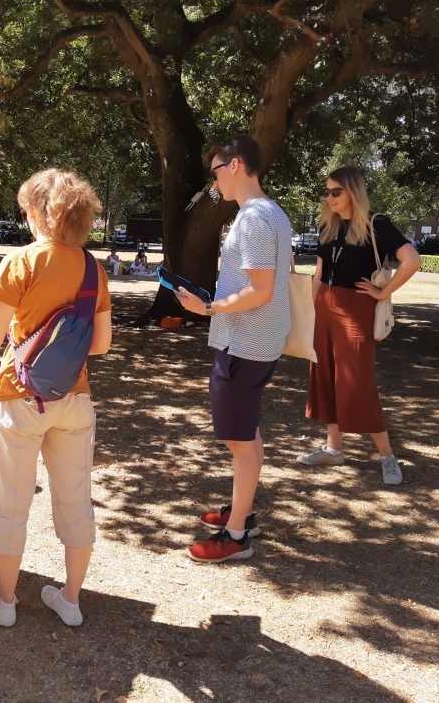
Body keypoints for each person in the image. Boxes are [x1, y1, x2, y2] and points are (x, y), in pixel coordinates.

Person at [0, 168, 112, 628]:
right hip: (73, 396)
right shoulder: (92, 266)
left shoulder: (20, 262)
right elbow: (100, 344)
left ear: (41, 212)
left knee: (10, 500)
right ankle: (70, 599)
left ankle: (6, 602)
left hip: (20, 397)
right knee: (75, 499)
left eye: (27, 208)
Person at [174, 136, 292, 564]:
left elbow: (260, 290)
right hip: (255, 341)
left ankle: (237, 534)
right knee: (247, 434)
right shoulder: (270, 213)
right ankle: (241, 513)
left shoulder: (254, 218)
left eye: (216, 172)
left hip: (245, 343)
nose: (214, 183)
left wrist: (208, 307)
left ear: (236, 165)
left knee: (240, 440)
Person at [297, 166, 421, 485]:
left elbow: (412, 260)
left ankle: (387, 456)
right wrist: (310, 315)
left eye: (335, 191)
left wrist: (383, 292)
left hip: (355, 309)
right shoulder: (329, 226)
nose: (329, 197)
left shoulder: (376, 224)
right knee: (324, 377)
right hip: (324, 307)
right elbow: (319, 275)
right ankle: (333, 448)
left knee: (358, 382)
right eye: (326, 191)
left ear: (353, 191)